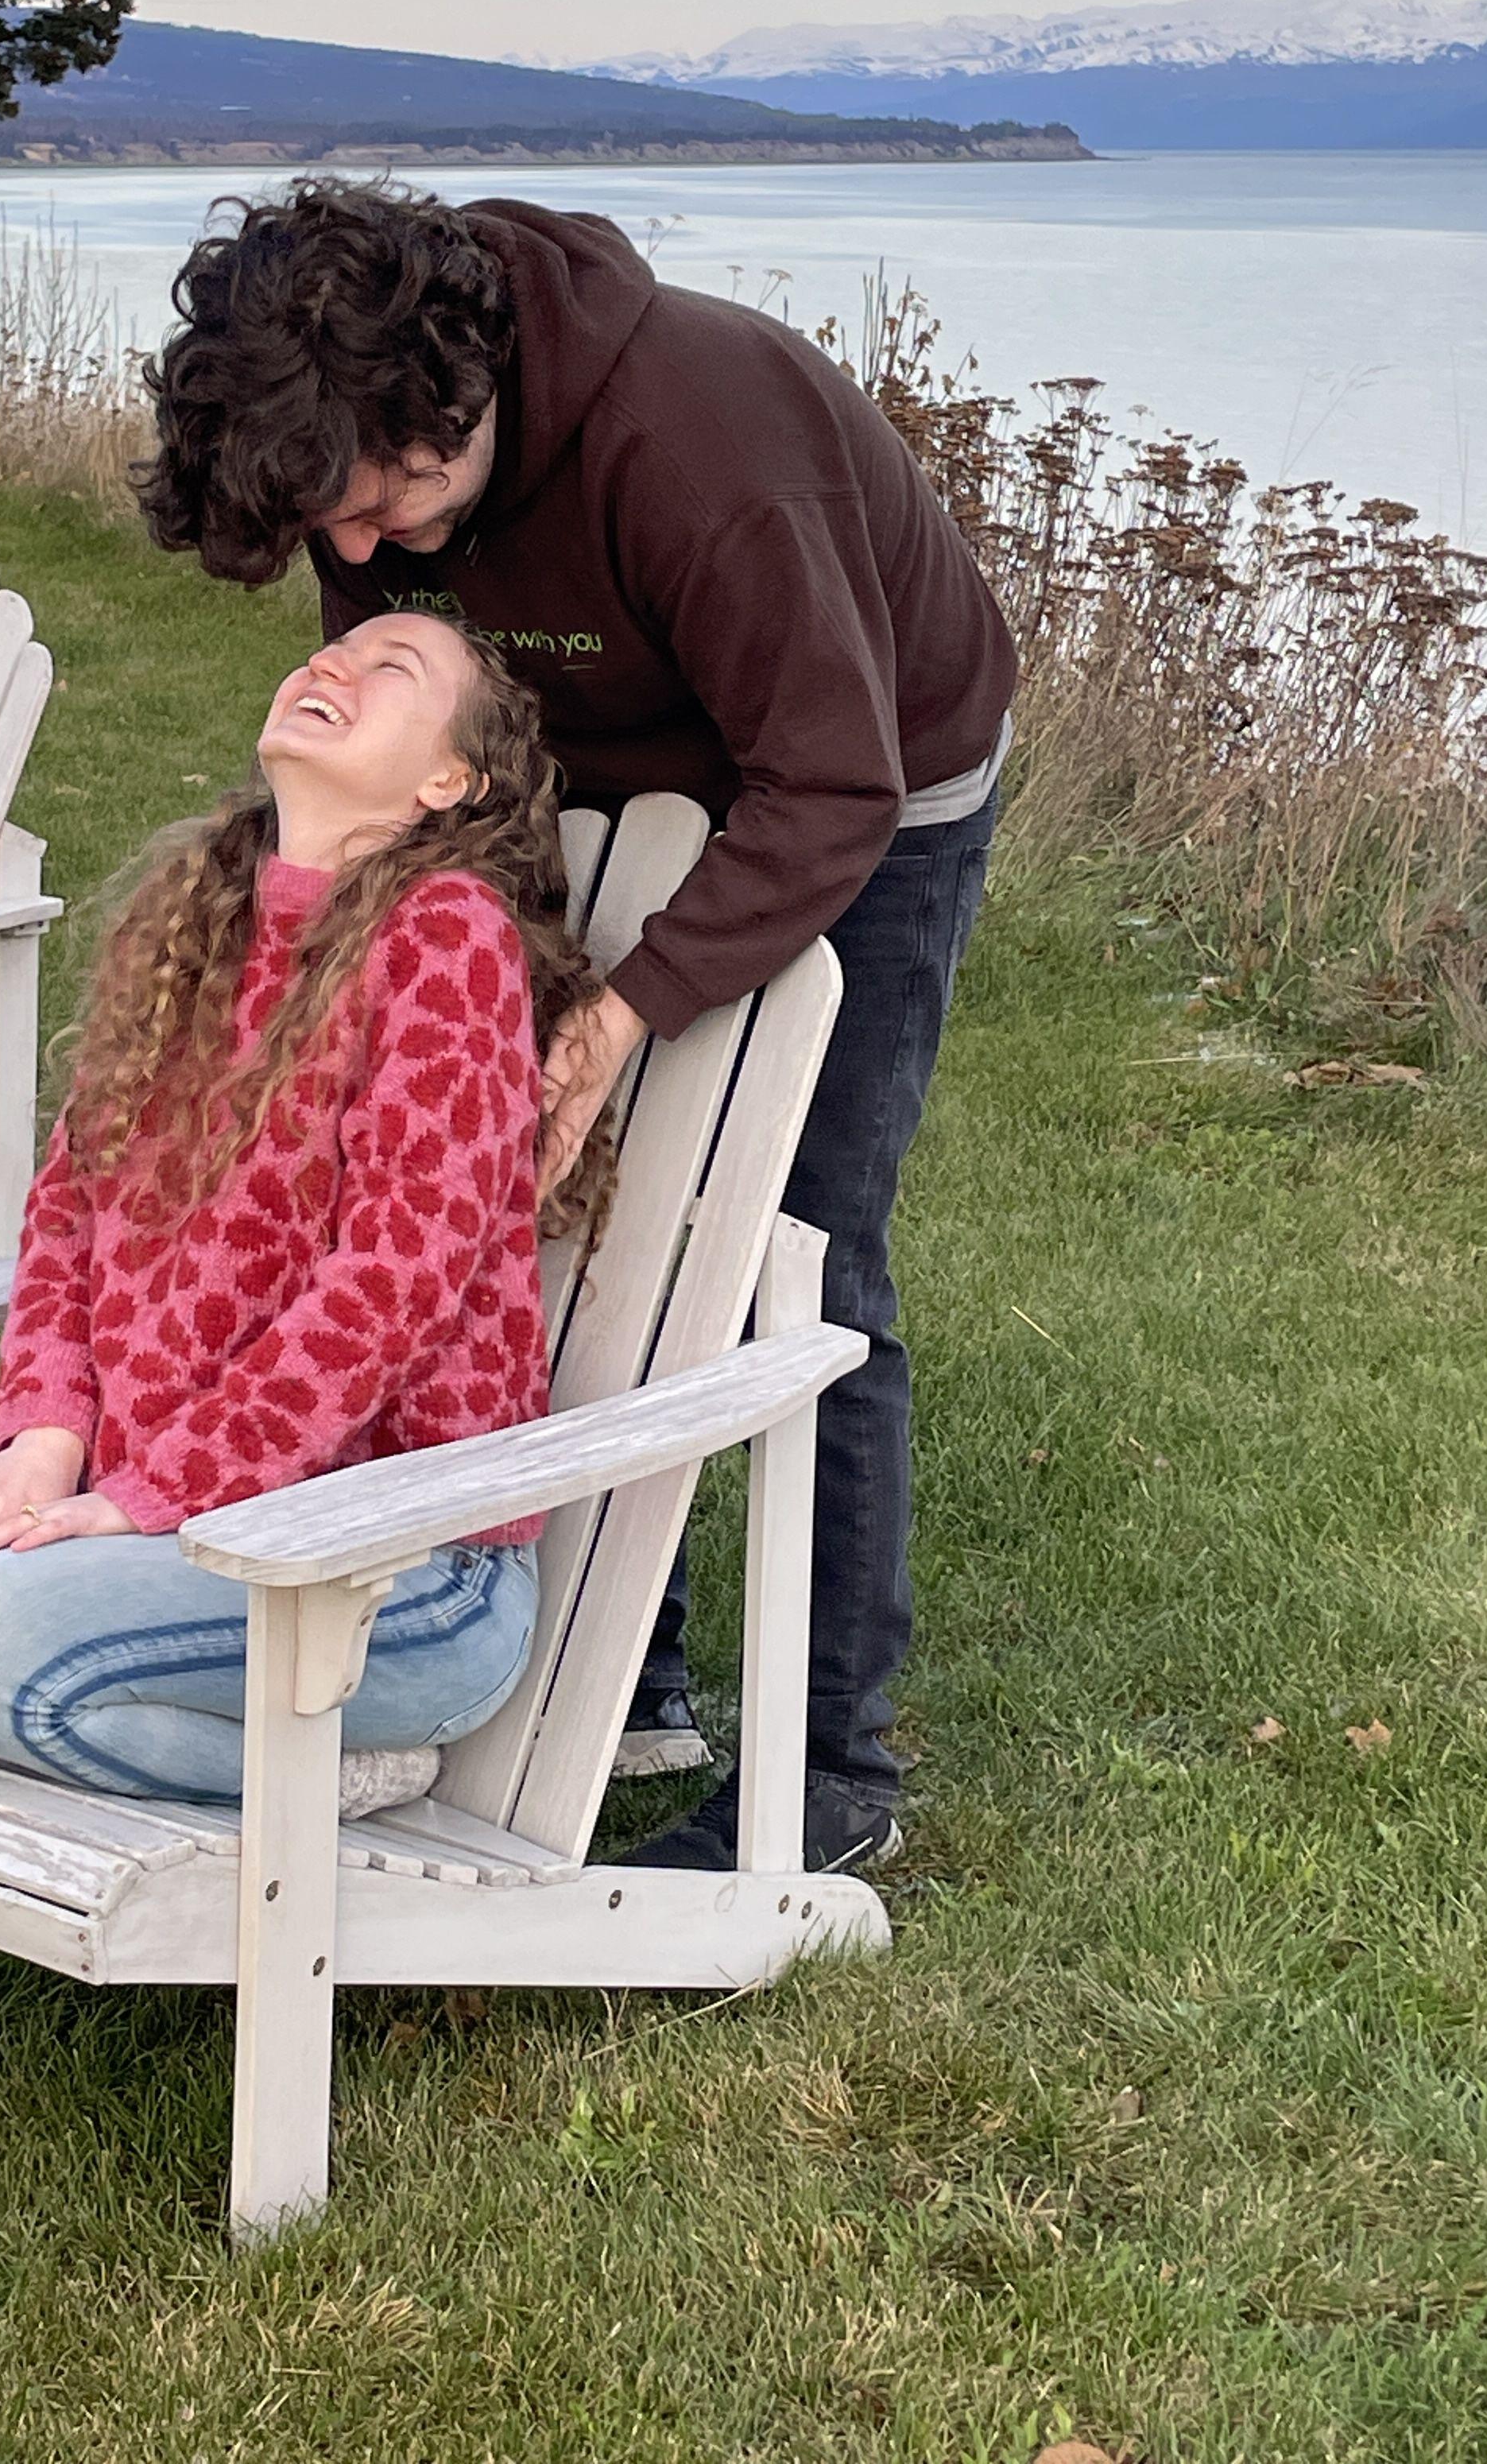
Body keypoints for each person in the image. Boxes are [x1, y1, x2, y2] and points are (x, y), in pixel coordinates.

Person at [138, 176, 1017, 1873]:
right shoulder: (370, 484)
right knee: (549, 1208)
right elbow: (428, 754)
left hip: (874, 786)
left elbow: (828, 778)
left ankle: (833, 1769)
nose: (359, 558)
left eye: (381, 503)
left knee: (790, 1247)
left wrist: (622, 1014)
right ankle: (630, 1674)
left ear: (453, 396)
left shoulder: (699, 437)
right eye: (328, 530)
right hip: (594, 784)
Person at [0, 612, 615, 1814]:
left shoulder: (446, 938)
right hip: (166, 1517)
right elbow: (66, 1217)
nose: (331, 665)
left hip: (396, 1562)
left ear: (450, 779)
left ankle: (335, 1774)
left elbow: (393, 1284)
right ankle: (106, 1704)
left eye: (394, 671)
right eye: (334, 651)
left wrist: (143, 1499)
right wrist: (47, 1444)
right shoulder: (201, 920)